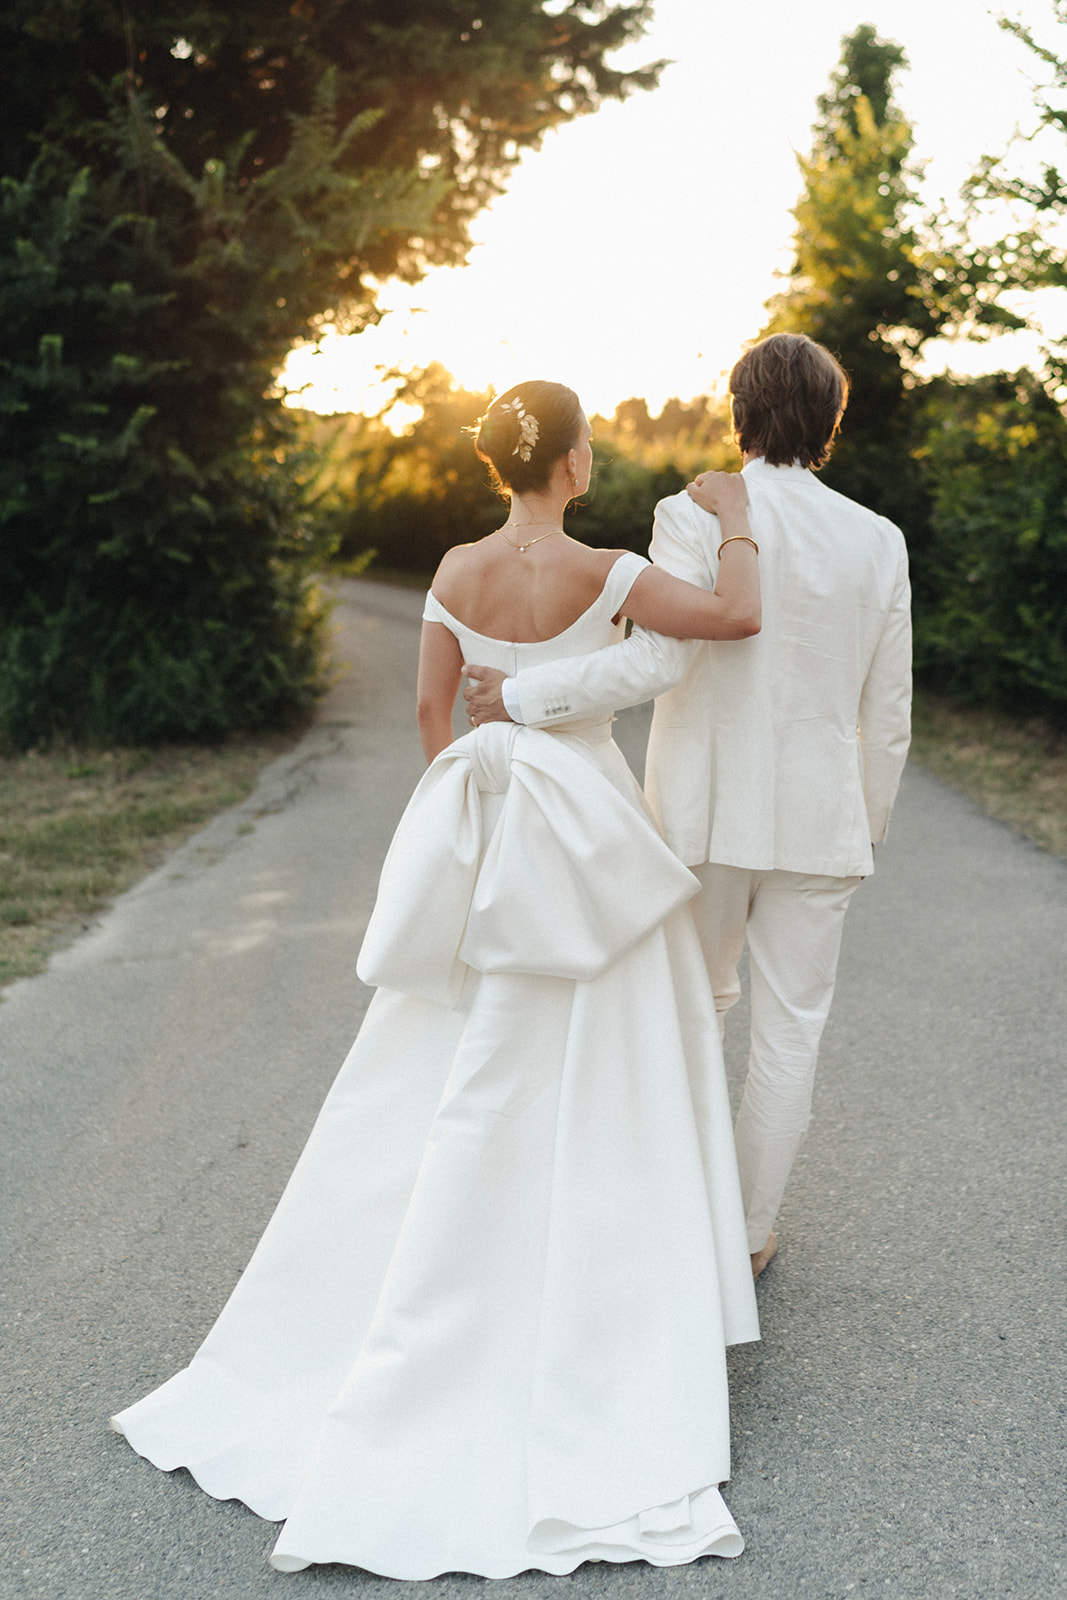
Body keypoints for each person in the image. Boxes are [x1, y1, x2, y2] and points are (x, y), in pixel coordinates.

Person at [111, 379, 768, 1579]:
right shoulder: (608, 571)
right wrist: (729, 513)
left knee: (444, 1062)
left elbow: (431, 708)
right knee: (612, 1050)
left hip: (491, 820)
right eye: (582, 452)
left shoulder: (455, 572)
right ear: (569, 464)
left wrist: (474, 822)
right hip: (591, 828)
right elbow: (731, 619)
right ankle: (603, 1276)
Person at [464, 336, 912, 1280]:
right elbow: (889, 711)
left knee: (689, 1012)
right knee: (792, 1030)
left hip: (702, 814)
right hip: (819, 825)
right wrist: (858, 826)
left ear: (737, 412)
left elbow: (660, 660)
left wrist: (522, 696)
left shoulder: (692, 512)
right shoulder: (878, 539)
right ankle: (746, 1235)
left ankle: (673, 1215)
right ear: (831, 422)